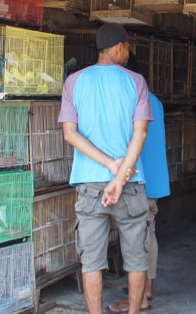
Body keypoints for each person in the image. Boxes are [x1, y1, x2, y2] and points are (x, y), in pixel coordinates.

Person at [59, 23, 153, 314]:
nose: (128, 53)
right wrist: (121, 172)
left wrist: (109, 165)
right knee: (137, 259)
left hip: (89, 184)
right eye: (127, 47)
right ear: (116, 48)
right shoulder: (136, 82)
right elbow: (140, 134)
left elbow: (70, 134)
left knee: (91, 261)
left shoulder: (74, 82)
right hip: (131, 184)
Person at [108, 54, 170, 313]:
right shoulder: (153, 100)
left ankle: (143, 293)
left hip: (141, 180)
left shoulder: (134, 101)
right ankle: (144, 288)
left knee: (143, 235)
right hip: (152, 177)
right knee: (146, 233)